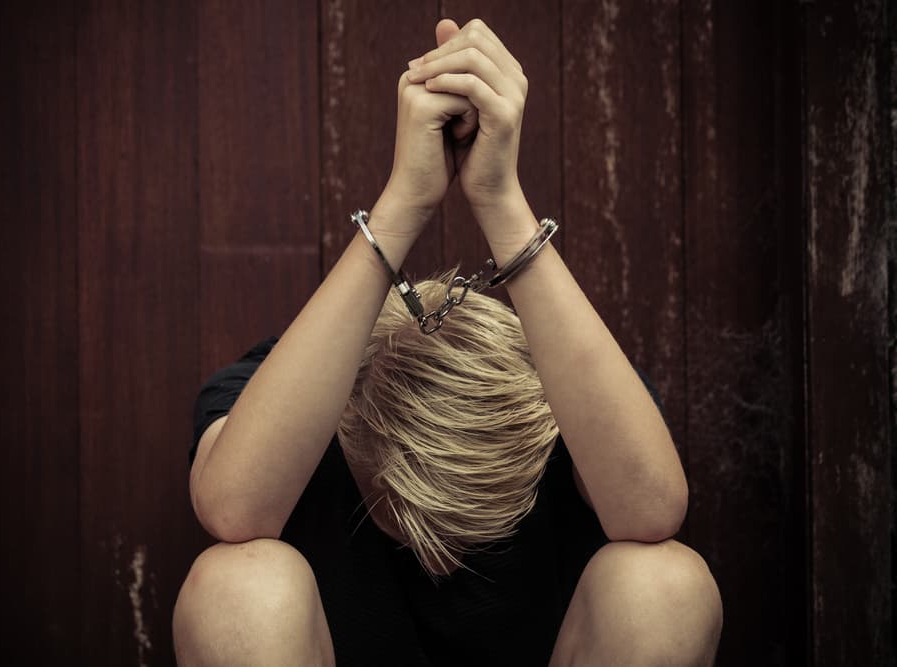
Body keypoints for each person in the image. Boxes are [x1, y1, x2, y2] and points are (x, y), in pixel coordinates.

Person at [173, 17, 723, 667]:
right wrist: (402, 202)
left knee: (667, 585)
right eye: (406, 526)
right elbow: (231, 506)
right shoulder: (293, 390)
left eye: (483, 539)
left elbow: (655, 507)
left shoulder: (571, 398)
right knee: (236, 586)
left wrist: (500, 200)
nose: (443, 566)